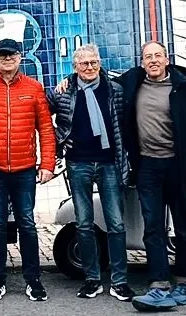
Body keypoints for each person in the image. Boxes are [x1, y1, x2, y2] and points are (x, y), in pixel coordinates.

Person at [118, 41, 186, 311]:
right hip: (147, 167)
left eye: (158, 56)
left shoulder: (185, 88)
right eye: (148, 57)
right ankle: (158, 285)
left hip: (178, 167)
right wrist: (69, 80)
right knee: (153, 226)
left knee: (181, 225)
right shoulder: (132, 81)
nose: (153, 60)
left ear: (167, 59)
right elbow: (95, 74)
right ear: (141, 61)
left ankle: (182, 282)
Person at [0, 38, 56, 302]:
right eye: (3, 55)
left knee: (27, 224)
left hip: (25, 168)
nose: (8, 59)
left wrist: (48, 163)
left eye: (12, 55)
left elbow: (46, 129)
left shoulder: (34, 88)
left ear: (20, 57)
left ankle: (34, 280)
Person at [50, 45, 132, 301]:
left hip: (109, 163)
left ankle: (119, 281)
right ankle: (92, 279)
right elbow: (41, 116)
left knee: (116, 224)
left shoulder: (114, 90)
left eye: (94, 62)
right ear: (74, 67)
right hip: (78, 164)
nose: (89, 67)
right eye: (84, 63)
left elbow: (125, 123)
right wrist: (60, 139)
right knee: (84, 224)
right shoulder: (64, 92)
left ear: (99, 63)